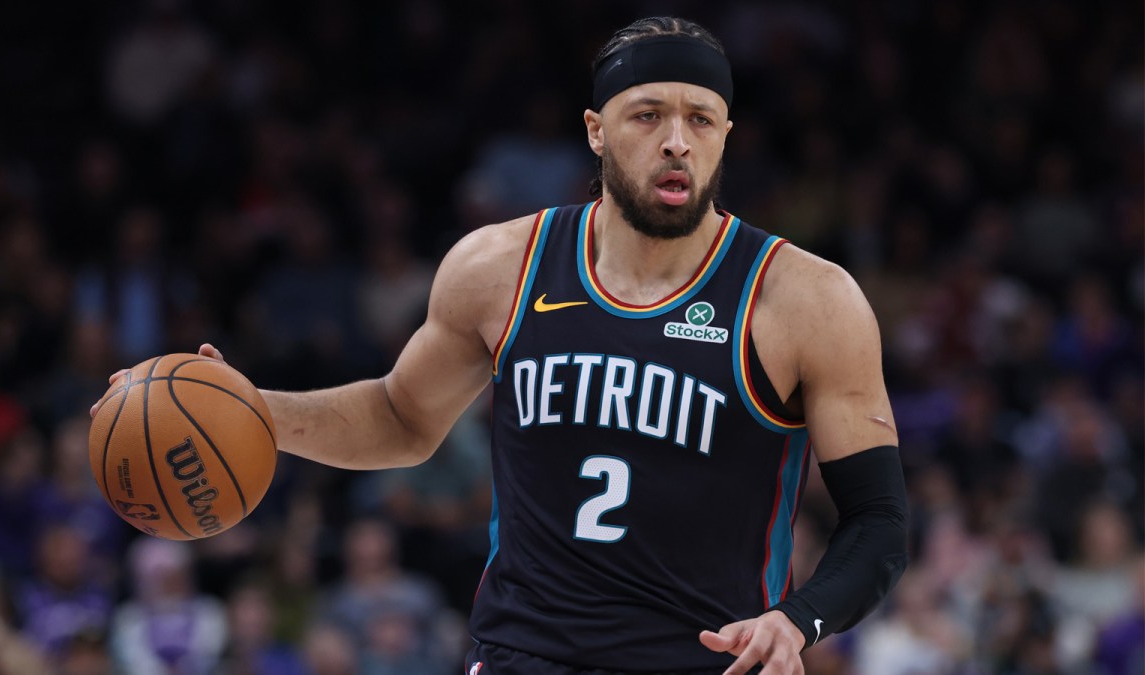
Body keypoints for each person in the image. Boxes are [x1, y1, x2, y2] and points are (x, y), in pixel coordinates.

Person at [93, 16, 908, 674]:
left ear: (727, 134)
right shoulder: (500, 267)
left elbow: (877, 518)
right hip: (525, 654)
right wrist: (246, 408)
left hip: (704, 660)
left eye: (700, 119)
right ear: (596, 130)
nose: (676, 141)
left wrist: (798, 622)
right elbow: (400, 416)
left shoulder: (805, 298)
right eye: (647, 114)